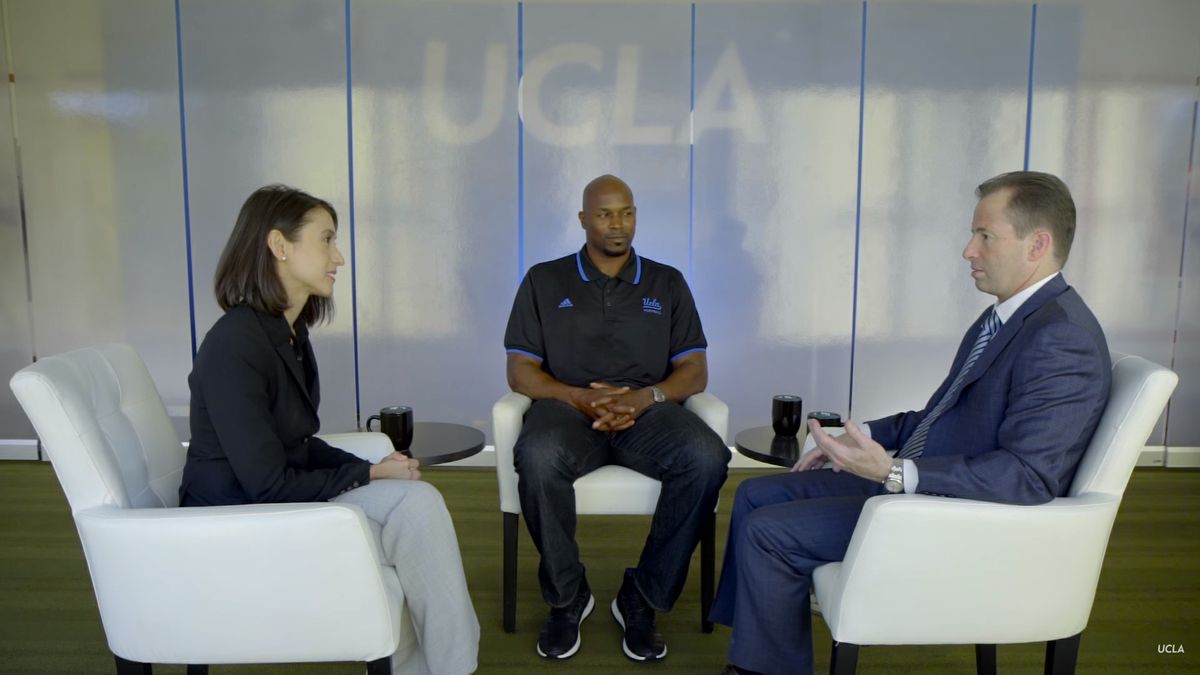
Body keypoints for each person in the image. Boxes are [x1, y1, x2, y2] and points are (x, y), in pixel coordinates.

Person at [710, 171, 1112, 675]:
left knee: (768, 531)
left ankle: (760, 665)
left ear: (1038, 245)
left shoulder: (1061, 339)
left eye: (984, 236)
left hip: (954, 516)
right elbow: (937, 417)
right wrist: (857, 438)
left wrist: (894, 473)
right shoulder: (1005, 319)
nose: (968, 250)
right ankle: (759, 638)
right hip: (925, 487)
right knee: (753, 495)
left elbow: (1027, 477)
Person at [179, 185, 479, 675]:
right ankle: (448, 669)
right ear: (279, 245)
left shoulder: (288, 333)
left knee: (416, 505)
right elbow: (267, 483)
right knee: (415, 512)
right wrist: (369, 476)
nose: (338, 257)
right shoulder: (234, 345)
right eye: (326, 239)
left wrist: (373, 467)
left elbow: (297, 443)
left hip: (273, 502)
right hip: (235, 519)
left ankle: (438, 667)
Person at [504, 174, 731, 661]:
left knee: (706, 457)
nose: (617, 223)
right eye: (605, 214)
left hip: (648, 413)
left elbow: (694, 370)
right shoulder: (544, 280)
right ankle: (567, 596)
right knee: (537, 455)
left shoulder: (667, 282)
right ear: (583, 219)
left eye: (626, 212)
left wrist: (646, 398)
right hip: (566, 410)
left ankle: (643, 596)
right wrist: (576, 397)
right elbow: (521, 371)